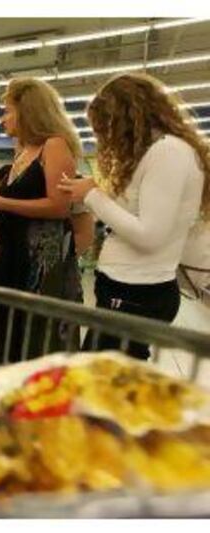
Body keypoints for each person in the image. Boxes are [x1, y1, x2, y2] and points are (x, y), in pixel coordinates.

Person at [59, 72, 210, 360]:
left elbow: (149, 235)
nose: (105, 137)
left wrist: (91, 195)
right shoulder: (157, 152)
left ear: (127, 117)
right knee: (111, 377)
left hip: (137, 291)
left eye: (106, 127)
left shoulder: (169, 153)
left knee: (104, 380)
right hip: (126, 287)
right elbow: (134, 216)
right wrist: (92, 193)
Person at [0, 78, 83, 367]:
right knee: (6, 342)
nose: (3, 118)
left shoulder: (54, 146)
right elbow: (17, 199)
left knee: (36, 344)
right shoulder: (22, 152)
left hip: (38, 268)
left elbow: (59, 206)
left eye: (7, 110)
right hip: (9, 262)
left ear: (28, 111)